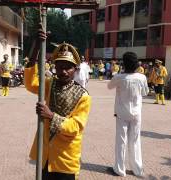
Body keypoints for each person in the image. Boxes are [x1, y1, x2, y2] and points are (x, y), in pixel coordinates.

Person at [25, 28, 91, 180]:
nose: (64, 71)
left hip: (65, 159)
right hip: (46, 154)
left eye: (68, 67)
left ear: (76, 69)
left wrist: (50, 115)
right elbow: (30, 83)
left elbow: (75, 127)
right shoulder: (49, 84)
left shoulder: (84, 96)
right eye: (60, 66)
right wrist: (36, 46)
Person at [107, 52, 148, 177]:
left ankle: (120, 169)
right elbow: (145, 92)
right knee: (135, 140)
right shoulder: (142, 78)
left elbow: (109, 87)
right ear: (136, 64)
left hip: (121, 113)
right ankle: (137, 169)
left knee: (121, 141)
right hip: (136, 113)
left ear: (123, 64)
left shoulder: (119, 77)